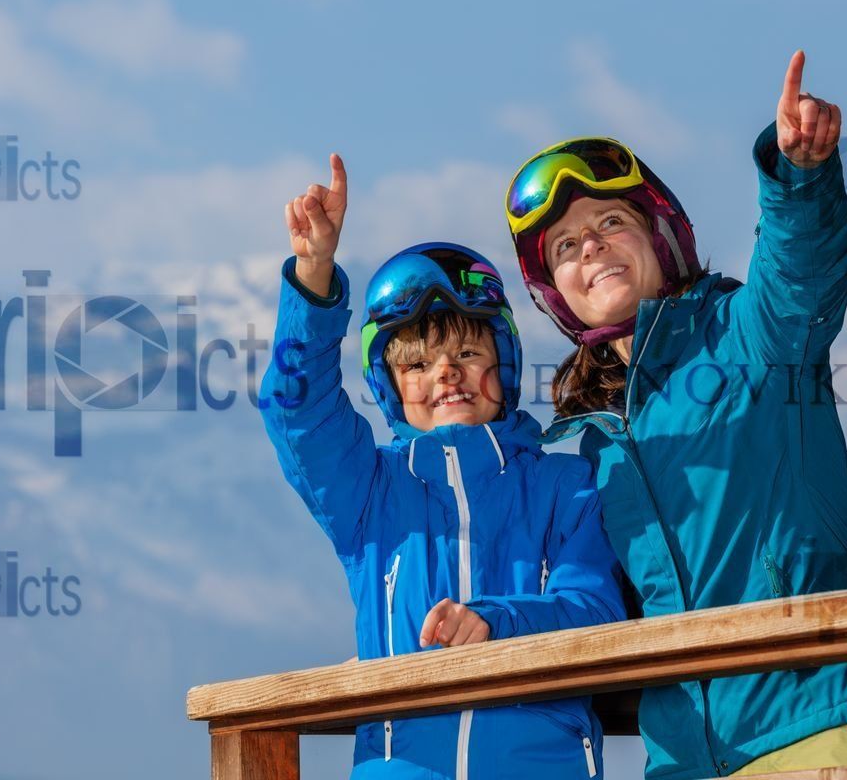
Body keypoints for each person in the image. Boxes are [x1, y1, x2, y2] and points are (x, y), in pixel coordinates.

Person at [503, 51, 847, 778]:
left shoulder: (752, 338)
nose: (593, 248)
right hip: (680, 760)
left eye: (611, 221)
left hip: (814, 724)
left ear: (661, 238)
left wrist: (800, 178)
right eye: (568, 247)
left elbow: (801, 271)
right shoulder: (587, 443)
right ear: (557, 294)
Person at [260, 154, 626, 779]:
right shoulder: (369, 495)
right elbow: (298, 409)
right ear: (390, 387)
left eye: (466, 351)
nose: (446, 374)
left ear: (503, 364)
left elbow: (595, 615)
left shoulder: (567, 488)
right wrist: (313, 274)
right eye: (417, 365)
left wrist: (494, 623)